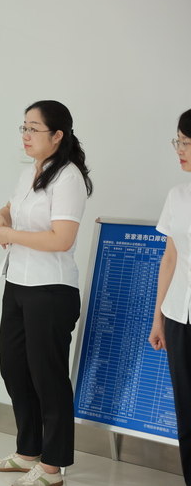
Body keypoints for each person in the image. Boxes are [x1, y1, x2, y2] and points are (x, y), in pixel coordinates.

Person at [0, 100, 92, 486]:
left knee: (48, 377)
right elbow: (9, 210)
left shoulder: (68, 178)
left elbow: (62, 239)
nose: (26, 135)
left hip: (51, 289)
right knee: (14, 369)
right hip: (18, 283)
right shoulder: (30, 172)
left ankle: (53, 465)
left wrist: (10, 234)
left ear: (57, 135)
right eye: (24, 127)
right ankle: (27, 451)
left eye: (34, 128)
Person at [149, 108, 191, 486]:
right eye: (178, 141)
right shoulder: (177, 196)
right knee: (186, 411)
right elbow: (170, 259)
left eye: (188, 143)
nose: (180, 150)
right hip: (179, 316)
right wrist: (158, 318)